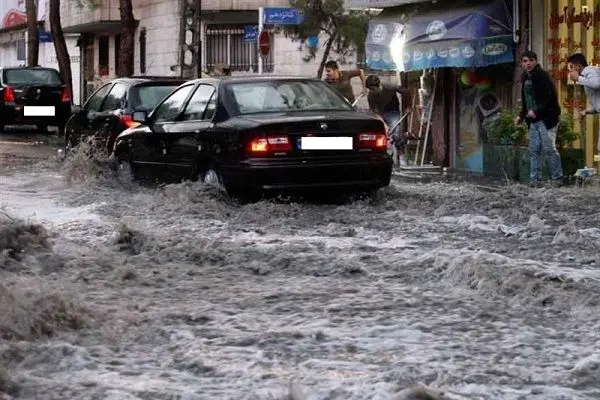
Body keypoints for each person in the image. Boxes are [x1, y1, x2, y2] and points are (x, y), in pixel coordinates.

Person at [514, 50, 564, 187]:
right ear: (522, 64)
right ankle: (535, 179)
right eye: (525, 61)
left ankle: (557, 178)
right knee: (534, 150)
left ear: (535, 61)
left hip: (547, 119)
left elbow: (550, 98)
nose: (528, 63)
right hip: (533, 120)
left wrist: (536, 110)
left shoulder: (542, 76)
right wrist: (521, 115)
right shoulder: (525, 77)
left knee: (549, 149)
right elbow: (526, 100)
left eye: (530, 60)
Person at [365, 74, 412, 166]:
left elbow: (405, 91)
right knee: (382, 136)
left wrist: (408, 106)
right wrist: (384, 125)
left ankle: (401, 156)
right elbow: (375, 112)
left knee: (396, 134)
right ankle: (386, 156)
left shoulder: (389, 87)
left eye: (373, 89)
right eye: (370, 90)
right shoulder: (370, 96)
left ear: (378, 86)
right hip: (380, 115)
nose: (372, 91)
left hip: (393, 112)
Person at [567, 53, 600, 156]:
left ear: (578, 65)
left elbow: (596, 83)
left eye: (571, 67)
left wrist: (578, 79)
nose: (570, 71)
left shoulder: (589, 70)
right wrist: (586, 111)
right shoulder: (587, 76)